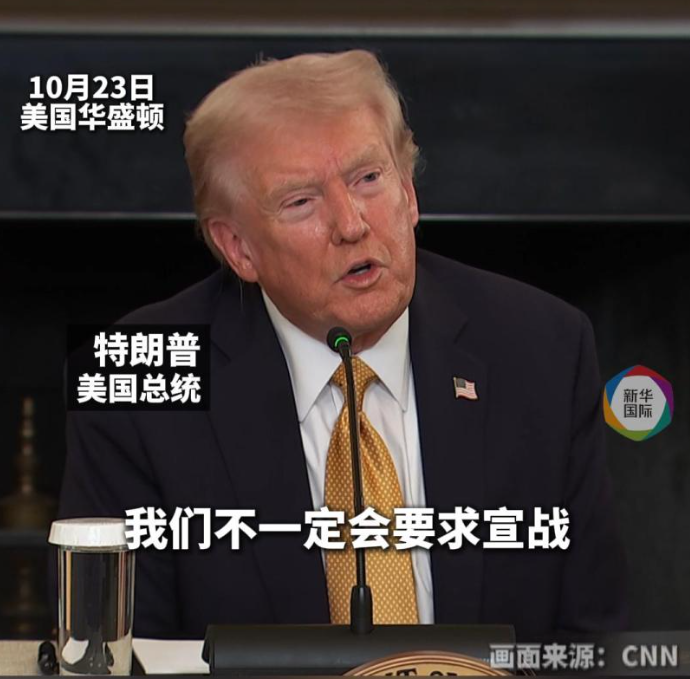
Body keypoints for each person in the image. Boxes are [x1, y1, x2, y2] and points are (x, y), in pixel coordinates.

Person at [57, 50, 628, 639]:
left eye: (368, 179)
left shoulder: (541, 347)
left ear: (409, 194)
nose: (352, 224)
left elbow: (591, 638)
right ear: (239, 248)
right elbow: (120, 652)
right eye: (301, 201)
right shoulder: (135, 381)